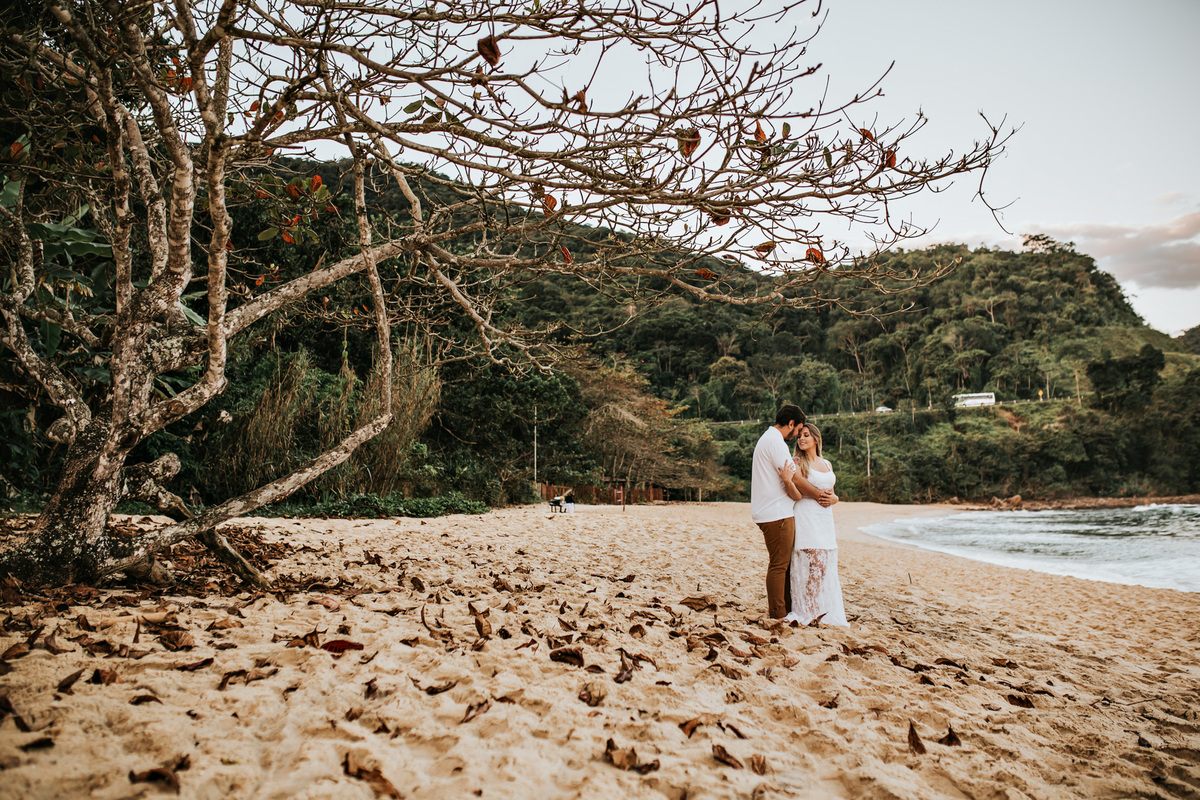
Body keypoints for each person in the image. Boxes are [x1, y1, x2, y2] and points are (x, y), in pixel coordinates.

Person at [750, 405, 834, 619]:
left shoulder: (769, 439)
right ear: (790, 424)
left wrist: (829, 497)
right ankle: (778, 614)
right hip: (775, 513)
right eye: (797, 430)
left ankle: (787, 610)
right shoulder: (776, 442)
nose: (797, 435)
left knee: (784, 566)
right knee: (779, 566)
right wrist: (818, 495)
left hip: (773, 511)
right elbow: (795, 477)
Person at [780, 423, 848, 627]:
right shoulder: (797, 461)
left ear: (816, 439)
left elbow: (833, 491)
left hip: (825, 518)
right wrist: (820, 496)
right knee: (815, 563)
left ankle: (819, 608)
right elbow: (799, 485)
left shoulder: (827, 463)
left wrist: (835, 499)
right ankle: (807, 609)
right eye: (800, 436)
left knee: (824, 564)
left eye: (806, 435)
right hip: (806, 515)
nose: (801, 439)